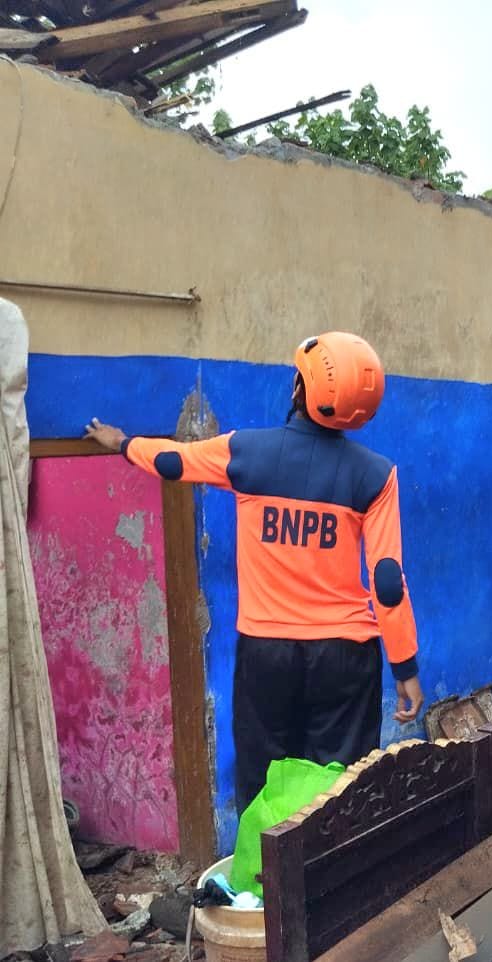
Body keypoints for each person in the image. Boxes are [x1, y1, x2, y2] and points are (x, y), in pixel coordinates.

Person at [84, 332, 424, 812]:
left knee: (265, 785)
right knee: (341, 786)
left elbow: (172, 461)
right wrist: (405, 667)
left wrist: (122, 443)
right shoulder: (375, 475)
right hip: (346, 657)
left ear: (299, 391)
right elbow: (387, 582)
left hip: (267, 653)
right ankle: (337, 879)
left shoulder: (247, 452)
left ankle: (263, 881)